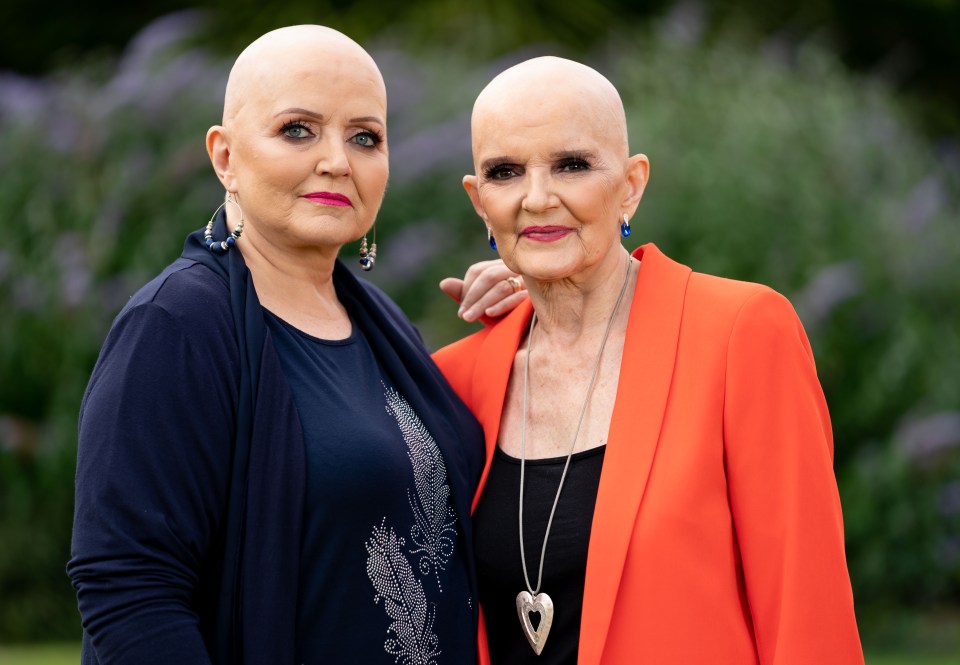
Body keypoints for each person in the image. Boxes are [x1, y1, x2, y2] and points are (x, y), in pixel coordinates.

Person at [67, 25, 524, 665]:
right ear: (225, 156)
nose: (338, 159)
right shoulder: (175, 327)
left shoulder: (381, 323)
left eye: (365, 137)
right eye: (298, 130)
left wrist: (543, 308)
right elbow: (129, 592)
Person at [433, 56, 865, 664]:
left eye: (572, 165)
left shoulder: (740, 334)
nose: (537, 197)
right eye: (505, 172)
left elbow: (806, 614)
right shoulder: (454, 381)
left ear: (631, 184)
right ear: (480, 201)